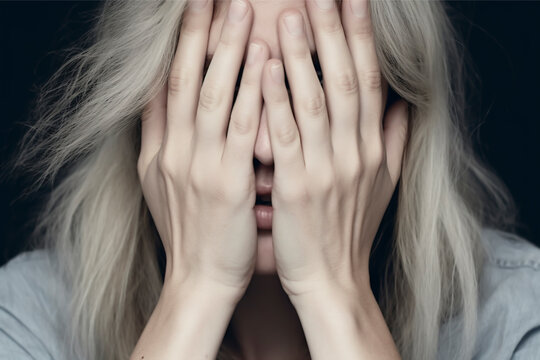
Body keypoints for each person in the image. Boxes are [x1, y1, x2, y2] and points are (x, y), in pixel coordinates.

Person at [1, 0, 539, 359]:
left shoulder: (516, 319)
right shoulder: (30, 321)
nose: (263, 147)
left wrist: (337, 294)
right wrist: (196, 290)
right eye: (224, 81)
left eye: (317, 84)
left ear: (398, 116)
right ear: (149, 106)